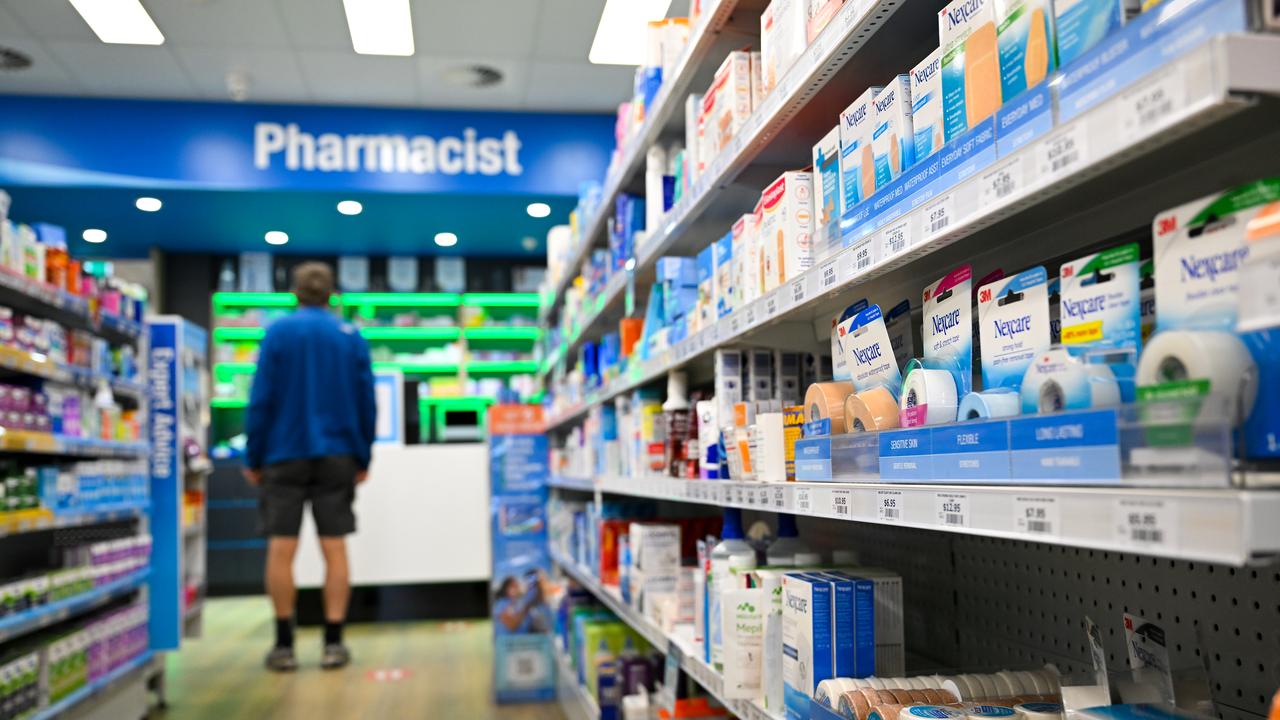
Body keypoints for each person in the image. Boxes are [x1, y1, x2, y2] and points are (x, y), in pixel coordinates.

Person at [243, 262, 376, 672]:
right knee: (334, 547)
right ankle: (333, 643)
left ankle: (284, 644)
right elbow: (366, 401)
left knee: (282, 547)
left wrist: (254, 454)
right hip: (338, 454)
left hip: (283, 453)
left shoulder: (278, 333)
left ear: (294, 292)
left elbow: (260, 398)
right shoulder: (350, 336)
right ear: (333, 293)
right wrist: (363, 453)